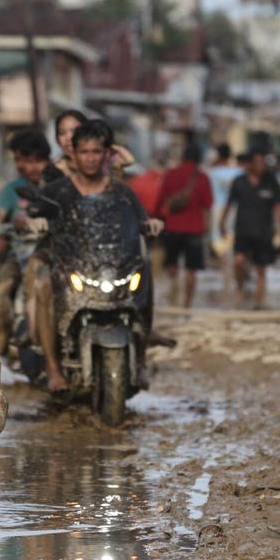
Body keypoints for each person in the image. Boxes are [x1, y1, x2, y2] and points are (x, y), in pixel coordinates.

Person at [34, 121, 163, 391]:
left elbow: (141, 220)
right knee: (43, 285)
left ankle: (140, 361)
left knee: (146, 272)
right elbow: (29, 213)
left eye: (96, 151)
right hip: (72, 268)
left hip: (112, 267)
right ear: (74, 154)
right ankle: (53, 368)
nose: (90, 158)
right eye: (84, 152)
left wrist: (152, 224)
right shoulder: (59, 190)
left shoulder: (122, 191)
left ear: (106, 154)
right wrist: (31, 222)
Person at [0, 130, 51, 355]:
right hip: (20, 253)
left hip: (53, 253)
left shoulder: (57, 186)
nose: (30, 167)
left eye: (36, 161)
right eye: (23, 161)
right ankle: (2, 335)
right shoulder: (13, 189)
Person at [219, 149, 280, 310]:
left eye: (263, 162)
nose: (262, 166)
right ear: (250, 164)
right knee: (238, 261)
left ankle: (259, 305)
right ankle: (240, 287)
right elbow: (229, 205)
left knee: (261, 270)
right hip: (242, 231)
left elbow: (279, 208)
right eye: (258, 163)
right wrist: (221, 224)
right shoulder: (238, 182)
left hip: (264, 232)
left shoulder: (271, 182)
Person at [158, 142, 213, 308]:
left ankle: (173, 293)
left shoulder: (170, 174)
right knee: (192, 269)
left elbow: (161, 201)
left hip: (173, 226)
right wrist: (207, 229)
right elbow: (207, 206)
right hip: (195, 228)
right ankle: (187, 304)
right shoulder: (202, 177)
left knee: (172, 264)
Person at [207, 144, 240, 252]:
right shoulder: (239, 172)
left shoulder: (211, 173)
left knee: (219, 243)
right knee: (233, 241)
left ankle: (224, 266)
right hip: (235, 209)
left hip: (217, 209)